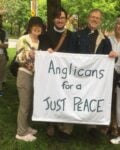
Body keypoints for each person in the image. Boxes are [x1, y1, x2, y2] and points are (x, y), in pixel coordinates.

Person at [70, 8, 112, 138]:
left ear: (100, 21)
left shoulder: (105, 40)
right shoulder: (76, 35)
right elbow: (68, 55)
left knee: (91, 98)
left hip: (94, 79)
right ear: (88, 18)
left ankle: (91, 126)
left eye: (97, 18)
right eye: (92, 17)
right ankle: (67, 127)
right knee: (73, 98)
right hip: (76, 75)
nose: (94, 19)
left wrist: (111, 55)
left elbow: (107, 59)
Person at [39, 7, 74, 139]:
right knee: (51, 97)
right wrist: (46, 50)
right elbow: (42, 51)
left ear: (66, 19)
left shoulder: (71, 35)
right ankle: (50, 123)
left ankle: (62, 123)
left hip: (66, 74)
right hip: (51, 74)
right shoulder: (45, 36)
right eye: (58, 17)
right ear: (54, 19)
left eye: (63, 18)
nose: (60, 20)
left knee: (64, 97)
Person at [15, 16, 45, 142]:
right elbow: (18, 58)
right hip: (24, 74)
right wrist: (28, 54)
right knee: (24, 105)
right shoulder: (23, 39)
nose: (37, 28)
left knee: (29, 103)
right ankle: (21, 133)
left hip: (35, 76)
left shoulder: (40, 41)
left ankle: (26, 127)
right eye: (35, 25)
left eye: (40, 26)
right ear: (30, 27)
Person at [0, 14, 8, 96]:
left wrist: (2, 45)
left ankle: (0, 89)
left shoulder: (4, 32)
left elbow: (6, 45)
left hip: (2, 55)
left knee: (1, 73)